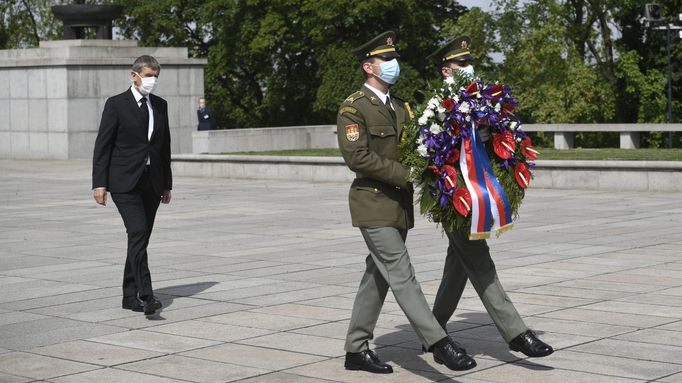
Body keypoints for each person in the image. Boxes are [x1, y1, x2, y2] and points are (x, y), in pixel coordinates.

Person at [337, 31, 477, 374]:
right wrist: (405, 174)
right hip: (372, 203)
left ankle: (356, 349)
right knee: (401, 272)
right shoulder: (353, 107)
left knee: (378, 275)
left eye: (392, 57)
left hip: (398, 206)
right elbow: (358, 158)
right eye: (386, 59)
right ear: (368, 66)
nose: (392, 64)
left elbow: (419, 147)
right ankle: (439, 342)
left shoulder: (401, 107)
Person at [425, 36, 554, 358]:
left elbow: (504, 139)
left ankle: (432, 329)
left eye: (470, 61)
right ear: (446, 70)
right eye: (462, 63)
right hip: (454, 196)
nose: (469, 68)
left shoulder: (485, 100)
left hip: (483, 192)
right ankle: (516, 333)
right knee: (479, 261)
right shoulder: (436, 108)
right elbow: (428, 155)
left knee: (459, 265)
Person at [92, 55, 172, 317]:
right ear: (134, 75)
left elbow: (164, 148)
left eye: (155, 76)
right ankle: (146, 295)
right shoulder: (116, 105)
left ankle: (129, 296)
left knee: (140, 239)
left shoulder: (160, 105)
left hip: (152, 183)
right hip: (124, 182)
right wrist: (99, 183)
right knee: (137, 233)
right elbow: (103, 145)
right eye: (148, 75)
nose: (152, 81)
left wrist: (167, 184)